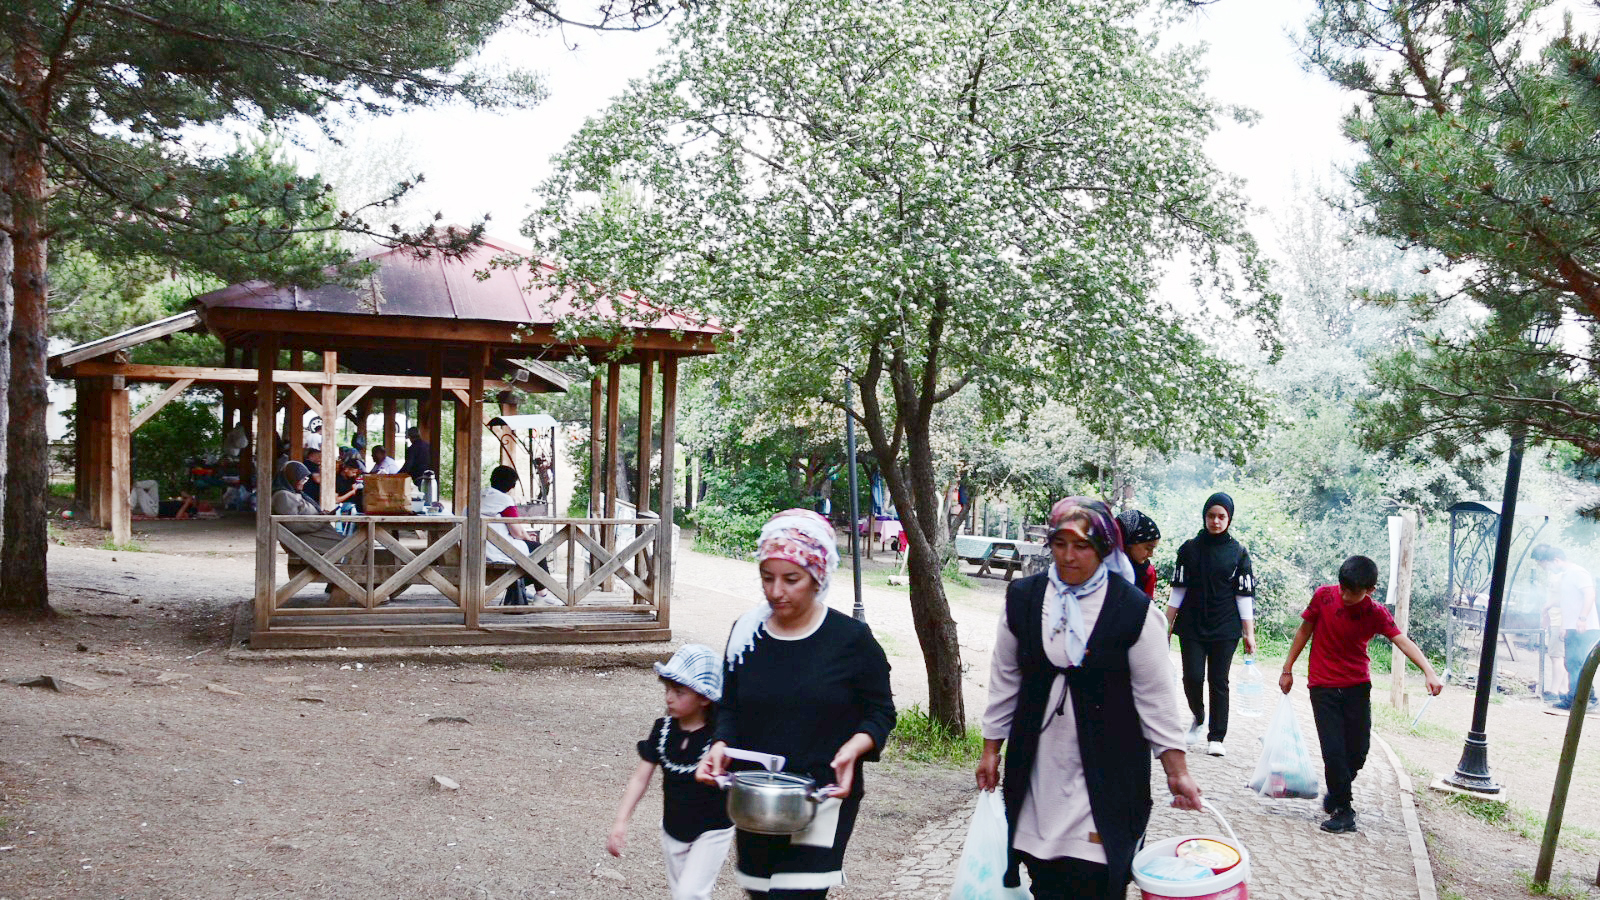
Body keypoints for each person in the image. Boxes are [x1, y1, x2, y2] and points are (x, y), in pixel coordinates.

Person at [976, 497, 1201, 900]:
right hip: (1041, 765)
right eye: (1060, 543)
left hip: (1107, 770)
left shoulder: (1133, 611)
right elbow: (1005, 679)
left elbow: (1157, 700)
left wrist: (1176, 770)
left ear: (1103, 548)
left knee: (1097, 878)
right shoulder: (1024, 599)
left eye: (1081, 545)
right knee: (1044, 876)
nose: (1068, 555)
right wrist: (991, 748)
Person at [695, 508, 896, 898]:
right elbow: (728, 706)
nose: (775, 591)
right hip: (757, 797)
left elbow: (880, 711)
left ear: (817, 577)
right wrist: (719, 743)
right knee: (760, 893)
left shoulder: (851, 640)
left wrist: (855, 749)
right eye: (767, 578)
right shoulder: (746, 634)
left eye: (791, 579)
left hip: (821, 797)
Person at [1279, 555, 1444, 834]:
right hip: (1323, 686)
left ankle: (1337, 789)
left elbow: (1401, 641)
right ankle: (1344, 809)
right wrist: (1287, 668)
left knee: (1358, 753)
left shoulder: (1376, 613)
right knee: (1333, 751)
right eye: (1342, 587)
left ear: (1370, 590)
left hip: (1357, 687)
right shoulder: (1324, 596)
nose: (1344, 595)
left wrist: (1429, 671)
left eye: (1352, 592)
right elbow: (1304, 629)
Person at [608, 644, 735, 900]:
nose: (669, 698)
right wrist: (621, 821)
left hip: (713, 829)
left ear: (704, 697)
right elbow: (640, 777)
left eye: (679, 691)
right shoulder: (662, 730)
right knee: (682, 894)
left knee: (690, 894)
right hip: (673, 828)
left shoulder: (720, 739)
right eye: (667, 689)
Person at [1166, 491, 1257, 757]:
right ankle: (1199, 715)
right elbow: (1178, 590)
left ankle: (1217, 736)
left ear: (1229, 519)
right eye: (1211, 516)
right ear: (1204, 516)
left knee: (1219, 680)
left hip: (1225, 627)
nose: (1215, 521)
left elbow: (1243, 595)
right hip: (1192, 624)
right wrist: (1167, 624)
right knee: (1192, 677)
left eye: (1221, 516)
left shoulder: (1238, 552)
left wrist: (1248, 633)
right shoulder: (1188, 549)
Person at [1535, 544, 1599, 710]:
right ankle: (1579, 697)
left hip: (1584, 627)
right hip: (1573, 627)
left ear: (1556, 560)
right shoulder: (1566, 576)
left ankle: (1584, 700)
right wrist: (1563, 623)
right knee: (1572, 663)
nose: (1547, 569)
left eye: (1548, 564)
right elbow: (1567, 602)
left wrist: (1582, 618)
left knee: (1578, 663)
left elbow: (1590, 594)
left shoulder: (1578, 572)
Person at [482, 465, 556, 607]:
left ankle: (527, 589)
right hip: (495, 550)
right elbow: (517, 532)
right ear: (511, 486)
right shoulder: (504, 500)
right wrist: (529, 538)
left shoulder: (479, 496)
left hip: (477, 548)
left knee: (531, 550)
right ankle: (542, 595)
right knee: (538, 549)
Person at [1116, 508, 1161, 600]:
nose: (1151, 554)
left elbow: (1146, 607)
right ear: (1130, 542)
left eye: (1153, 549)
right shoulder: (1100, 564)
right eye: (1148, 548)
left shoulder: (1147, 572)